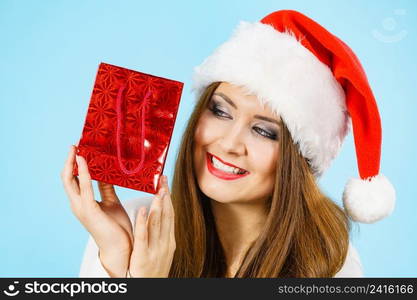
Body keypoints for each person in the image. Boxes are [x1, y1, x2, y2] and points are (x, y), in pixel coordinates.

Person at [61, 10, 395, 278]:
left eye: (265, 131)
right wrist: (119, 265)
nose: (229, 143)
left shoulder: (329, 265)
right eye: (220, 111)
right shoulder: (129, 225)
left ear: (297, 162)